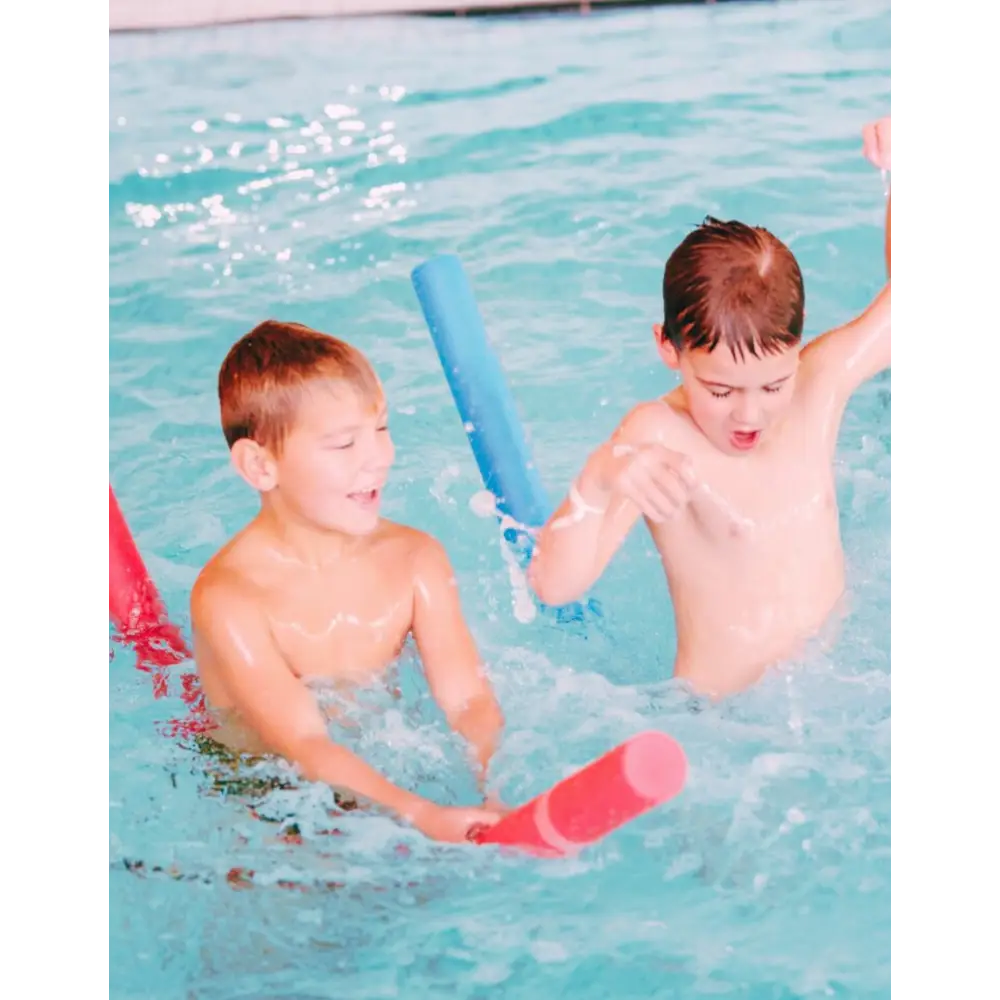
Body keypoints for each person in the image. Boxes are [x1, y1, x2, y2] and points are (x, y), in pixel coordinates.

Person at [527, 115, 895, 699]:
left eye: (773, 386)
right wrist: (600, 478)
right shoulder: (660, 437)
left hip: (833, 692)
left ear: (797, 346)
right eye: (721, 392)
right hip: (725, 722)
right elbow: (553, 586)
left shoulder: (816, 387)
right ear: (668, 349)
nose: (750, 416)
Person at [189, 320, 506, 843]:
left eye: (381, 428)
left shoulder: (415, 560)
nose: (379, 457)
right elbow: (304, 744)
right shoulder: (230, 599)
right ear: (260, 466)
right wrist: (422, 815)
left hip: (372, 765)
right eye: (343, 444)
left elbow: (467, 700)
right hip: (263, 788)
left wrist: (496, 785)